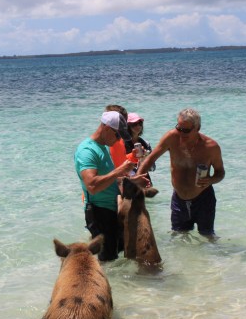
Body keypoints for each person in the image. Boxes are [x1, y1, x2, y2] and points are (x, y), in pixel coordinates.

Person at [137, 108, 225, 239]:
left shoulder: (211, 147)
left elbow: (220, 173)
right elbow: (150, 159)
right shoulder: (171, 138)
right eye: (179, 128)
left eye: (186, 130)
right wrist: (137, 179)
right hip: (179, 199)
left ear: (198, 128)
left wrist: (211, 180)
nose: (181, 133)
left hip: (204, 199)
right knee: (178, 237)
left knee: (207, 237)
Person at [75, 111, 149, 261]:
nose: (119, 139)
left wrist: (132, 181)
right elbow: (92, 185)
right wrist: (119, 170)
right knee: (107, 261)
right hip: (98, 212)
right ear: (107, 128)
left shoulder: (103, 147)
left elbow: (110, 179)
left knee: (117, 257)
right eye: (117, 135)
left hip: (111, 211)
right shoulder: (87, 151)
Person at [124, 112, 155, 183]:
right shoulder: (122, 144)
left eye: (140, 123)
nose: (138, 126)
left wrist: (146, 158)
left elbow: (153, 168)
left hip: (144, 179)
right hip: (129, 180)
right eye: (134, 124)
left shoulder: (146, 144)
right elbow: (120, 164)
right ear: (128, 126)